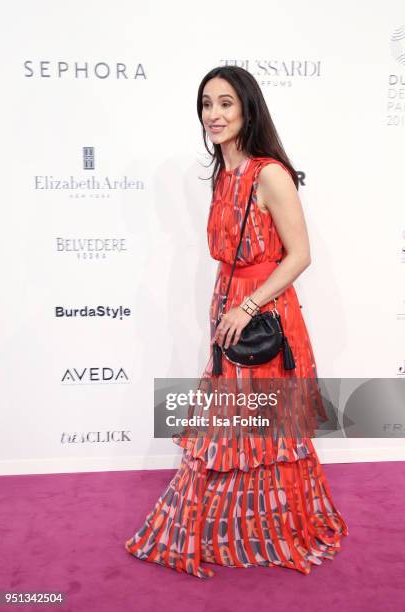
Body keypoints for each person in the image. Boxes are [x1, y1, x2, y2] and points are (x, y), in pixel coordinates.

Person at [124, 65, 348, 579]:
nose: (214, 114)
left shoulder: (269, 173)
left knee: (265, 426)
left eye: (226, 103)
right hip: (227, 307)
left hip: (264, 313)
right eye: (207, 104)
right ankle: (240, 524)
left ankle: (275, 528)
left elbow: (300, 255)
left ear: (248, 109)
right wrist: (230, 306)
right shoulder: (222, 174)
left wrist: (248, 307)